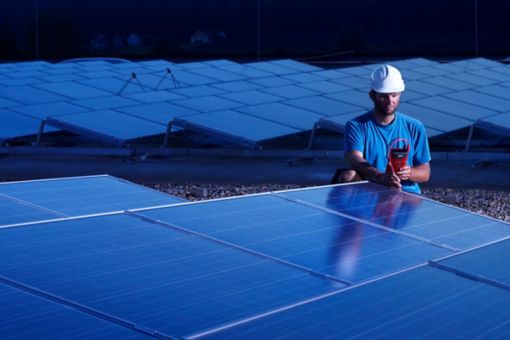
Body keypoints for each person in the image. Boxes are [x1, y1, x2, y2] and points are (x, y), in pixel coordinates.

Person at [332, 64, 431, 194]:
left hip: (406, 192)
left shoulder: (414, 127)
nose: (390, 101)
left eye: (394, 95)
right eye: (384, 96)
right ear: (373, 95)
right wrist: (379, 177)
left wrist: (409, 172)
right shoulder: (357, 125)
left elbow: (425, 173)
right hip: (372, 190)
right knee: (347, 176)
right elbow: (354, 158)